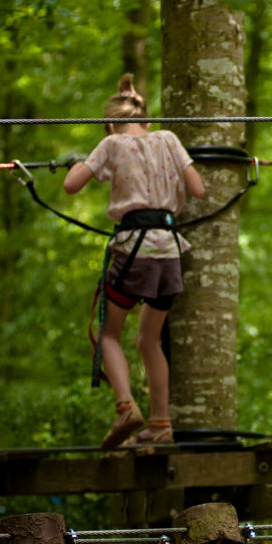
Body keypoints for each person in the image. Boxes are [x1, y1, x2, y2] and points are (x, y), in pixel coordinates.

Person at [63, 74, 205, 449]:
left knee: (109, 333)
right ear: (146, 118)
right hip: (170, 253)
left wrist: (94, 155)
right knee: (148, 339)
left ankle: (126, 407)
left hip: (133, 252)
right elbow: (198, 189)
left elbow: (71, 184)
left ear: (110, 123)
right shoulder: (168, 139)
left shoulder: (111, 142)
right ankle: (161, 422)